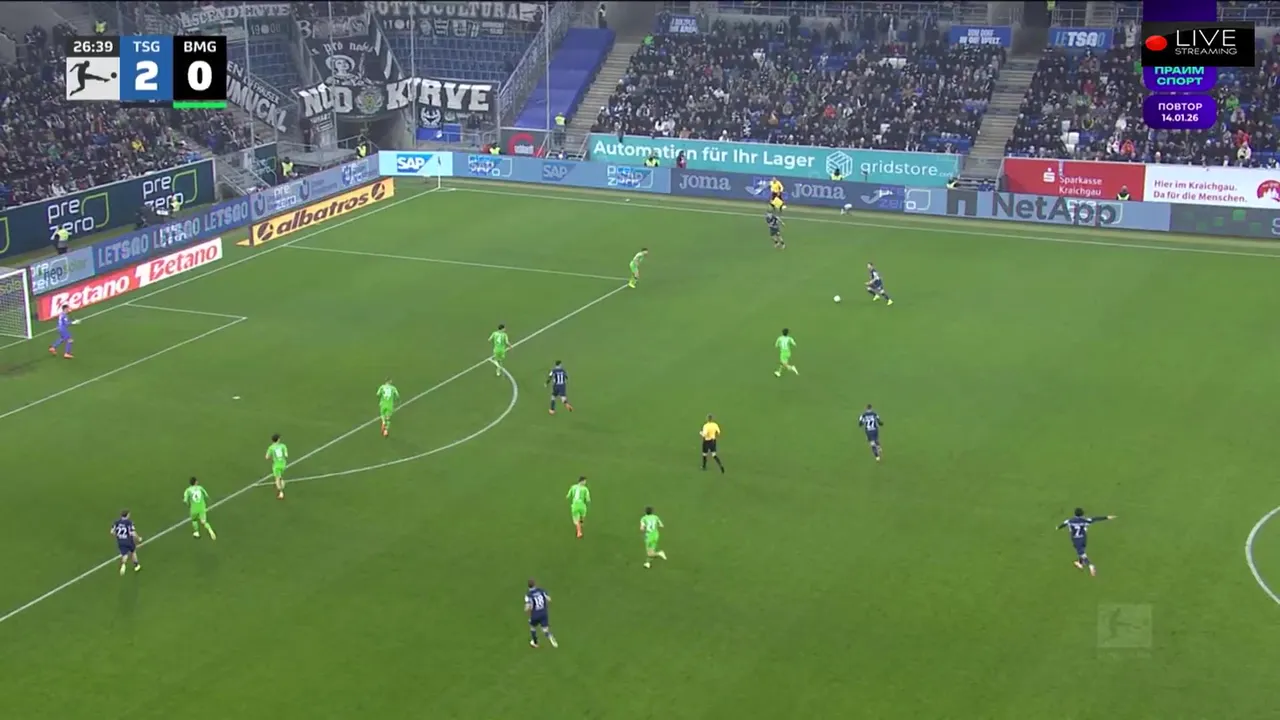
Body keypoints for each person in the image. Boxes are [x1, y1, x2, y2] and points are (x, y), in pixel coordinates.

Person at [1057, 508, 1116, 576]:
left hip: (1076, 539)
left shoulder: (1069, 521)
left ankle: (1090, 565)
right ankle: (1080, 563)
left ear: (1075, 514)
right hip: (1083, 538)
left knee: (1081, 553)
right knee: (1081, 551)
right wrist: (1107, 517)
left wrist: (1057, 528)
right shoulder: (1085, 520)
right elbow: (1095, 519)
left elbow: (1063, 524)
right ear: (1082, 514)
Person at [525, 579, 558, 647]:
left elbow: (528, 607)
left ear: (528, 586)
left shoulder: (528, 595)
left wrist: (528, 612)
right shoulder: (541, 590)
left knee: (532, 627)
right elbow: (549, 599)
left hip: (535, 614)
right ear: (535, 584)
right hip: (543, 613)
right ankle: (550, 636)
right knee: (545, 630)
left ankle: (535, 642)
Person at [111, 510, 142, 575]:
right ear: (127, 515)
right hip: (128, 541)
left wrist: (118, 536)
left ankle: (123, 564)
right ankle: (136, 565)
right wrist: (138, 538)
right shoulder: (129, 522)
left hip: (120, 541)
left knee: (124, 554)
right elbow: (133, 533)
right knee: (133, 552)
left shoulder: (116, 522)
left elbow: (112, 532)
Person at [265, 433, 288, 499]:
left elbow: (267, 457)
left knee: (277, 479)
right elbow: (286, 455)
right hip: (283, 464)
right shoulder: (283, 446)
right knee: (280, 476)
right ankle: (281, 480)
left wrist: (272, 456)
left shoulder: (271, 448)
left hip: (276, 465)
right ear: (278, 439)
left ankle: (281, 493)